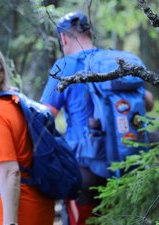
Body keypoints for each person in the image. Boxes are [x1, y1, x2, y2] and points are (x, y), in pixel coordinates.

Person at [40, 11, 154, 225]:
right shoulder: (117, 61)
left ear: (63, 39)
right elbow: (146, 102)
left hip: (85, 170)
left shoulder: (65, 66)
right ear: (90, 34)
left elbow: (45, 116)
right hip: (127, 164)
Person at [0, 47, 55, 225]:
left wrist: (10, 222)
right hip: (36, 204)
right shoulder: (16, 104)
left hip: (10, 210)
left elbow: (10, 172)